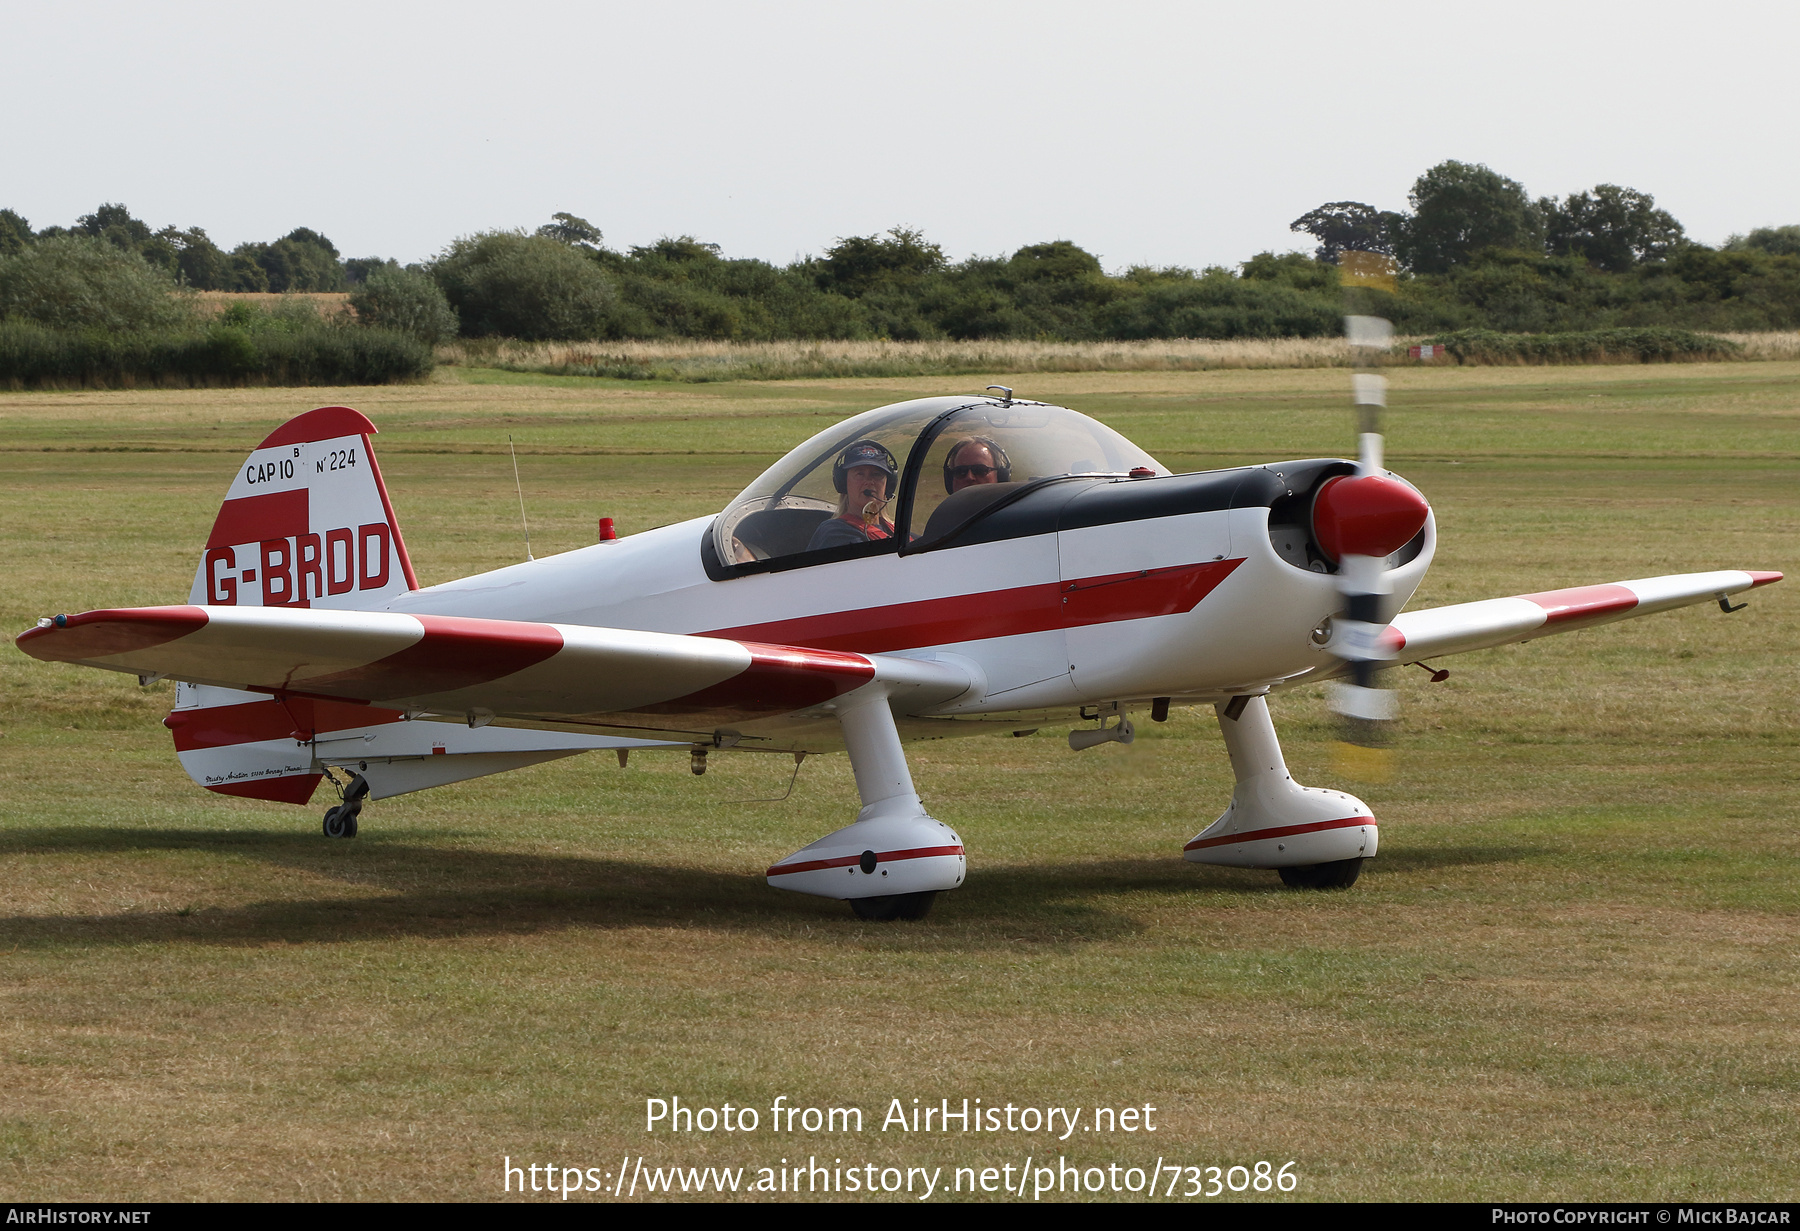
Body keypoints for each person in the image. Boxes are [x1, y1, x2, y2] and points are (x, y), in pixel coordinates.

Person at [807, 440, 903, 550]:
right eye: (860, 474)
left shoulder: (897, 531)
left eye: (876, 474)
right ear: (843, 483)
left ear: (889, 485)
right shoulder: (835, 532)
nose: (869, 482)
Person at [942, 436, 1011, 494]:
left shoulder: (1015, 510)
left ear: (1000, 476)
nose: (969, 477)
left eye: (980, 470)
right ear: (951, 480)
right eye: (960, 471)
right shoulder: (945, 510)